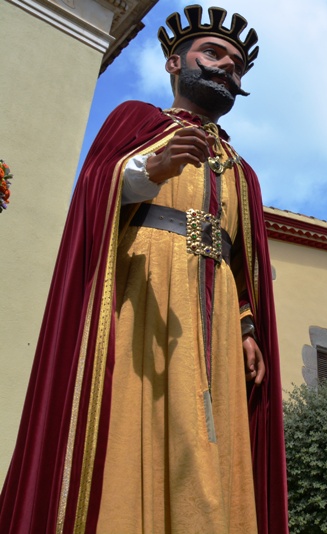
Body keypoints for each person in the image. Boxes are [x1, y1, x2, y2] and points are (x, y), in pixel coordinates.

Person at [0, 6, 288, 533]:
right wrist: (150, 168)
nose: (227, 68)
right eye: (213, 53)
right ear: (174, 64)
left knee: (213, 432)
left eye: (237, 65)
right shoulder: (137, 120)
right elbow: (94, 192)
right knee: (143, 417)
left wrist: (248, 326)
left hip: (219, 313)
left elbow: (243, 264)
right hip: (146, 290)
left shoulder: (244, 173)